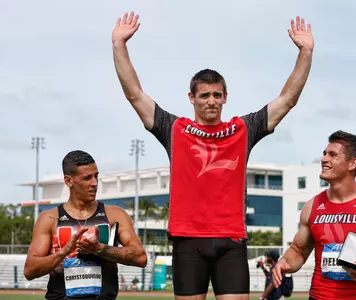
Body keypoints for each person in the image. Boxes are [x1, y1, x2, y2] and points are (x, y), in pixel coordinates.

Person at [112, 10, 314, 299]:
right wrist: (119, 44)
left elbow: (287, 99)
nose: (211, 101)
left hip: (230, 240)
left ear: (225, 98)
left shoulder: (244, 129)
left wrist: (305, 51)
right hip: (187, 241)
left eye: (217, 95)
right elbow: (134, 94)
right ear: (191, 98)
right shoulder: (174, 129)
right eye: (205, 95)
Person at [272, 131, 356, 300]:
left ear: (352, 163)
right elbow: (298, 251)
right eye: (324, 154)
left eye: (333, 155)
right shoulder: (312, 206)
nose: (324, 159)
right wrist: (286, 262)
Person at [24, 150, 147, 300]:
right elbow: (30, 270)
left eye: (96, 176)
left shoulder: (115, 214)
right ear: (68, 181)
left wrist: (100, 249)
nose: (94, 183)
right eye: (87, 178)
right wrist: (64, 252)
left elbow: (140, 257)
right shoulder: (49, 218)